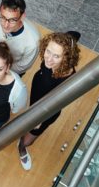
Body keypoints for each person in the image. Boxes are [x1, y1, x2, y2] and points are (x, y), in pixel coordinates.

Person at [18, 31, 80, 170]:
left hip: (48, 111)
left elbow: (57, 104)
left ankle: (22, 147)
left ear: (66, 57)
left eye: (56, 56)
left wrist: (40, 119)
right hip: (38, 87)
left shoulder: (69, 82)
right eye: (48, 51)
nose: (49, 59)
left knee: (28, 140)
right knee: (30, 111)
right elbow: (74, 34)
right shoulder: (50, 60)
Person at [0, 0, 40, 76]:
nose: (5, 25)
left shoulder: (33, 42)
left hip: (10, 72)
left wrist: (1, 69)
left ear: (22, 17)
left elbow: (22, 66)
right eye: (3, 17)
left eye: (12, 20)